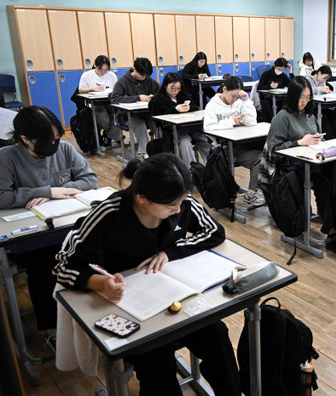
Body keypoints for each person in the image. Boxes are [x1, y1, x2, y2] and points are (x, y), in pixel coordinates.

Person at [53, 153, 242, 396]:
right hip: (129, 308)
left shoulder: (181, 203)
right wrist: (101, 283)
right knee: (157, 360)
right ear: (142, 198)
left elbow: (214, 231)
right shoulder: (108, 215)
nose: (177, 211)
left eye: (181, 202)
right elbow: (62, 267)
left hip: (172, 301)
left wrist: (171, 251)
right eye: (170, 206)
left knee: (216, 334)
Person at [0, 106, 97, 332]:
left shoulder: (63, 149)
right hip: (31, 238)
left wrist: (59, 190)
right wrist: (45, 191)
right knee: (46, 266)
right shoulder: (7, 158)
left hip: (68, 227)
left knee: (92, 253)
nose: (54, 144)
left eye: (56, 138)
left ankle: (90, 313)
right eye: (47, 140)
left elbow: (90, 179)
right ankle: (54, 329)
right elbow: (1, 196)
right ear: (26, 139)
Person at [259, 76, 331, 222]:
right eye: (301, 97)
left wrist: (318, 140)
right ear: (293, 96)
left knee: (335, 174)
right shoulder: (282, 117)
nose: (304, 101)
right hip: (290, 167)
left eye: (308, 97)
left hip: (310, 161)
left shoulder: (309, 116)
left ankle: (333, 220)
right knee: (323, 181)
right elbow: (274, 149)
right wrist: (299, 142)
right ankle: (328, 224)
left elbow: (317, 137)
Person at [204, 76, 264, 206]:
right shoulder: (212, 106)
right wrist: (230, 121)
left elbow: (251, 122)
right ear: (224, 89)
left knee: (260, 157)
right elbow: (208, 128)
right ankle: (229, 197)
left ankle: (252, 192)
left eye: (238, 96)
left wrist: (247, 101)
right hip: (222, 150)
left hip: (239, 147)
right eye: (233, 96)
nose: (235, 99)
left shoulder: (238, 102)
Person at [149, 72, 210, 164]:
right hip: (173, 132)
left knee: (204, 139)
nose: (176, 91)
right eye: (172, 88)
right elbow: (157, 116)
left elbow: (195, 108)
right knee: (185, 141)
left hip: (192, 129)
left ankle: (213, 168)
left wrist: (189, 108)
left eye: (178, 88)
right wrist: (174, 109)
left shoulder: (182, 96)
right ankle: (192, 171)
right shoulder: (158, 99)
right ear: (165, 86)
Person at [111, 57, 159, 158]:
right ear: (135, 69)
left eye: (146, 75)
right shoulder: (123, 81)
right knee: (139, 123)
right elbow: (115, 99)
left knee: (159, 121)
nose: (144, 77)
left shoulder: (149, 80)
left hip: (146, 114)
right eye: (141, 74)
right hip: (125, 116)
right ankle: (145, 152)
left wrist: (153, 97)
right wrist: (138, 98)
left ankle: (161, 149)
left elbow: (161, 92)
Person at [77, 55, 120, 145]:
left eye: (106, 70)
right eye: (100, 70)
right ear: (95, 66)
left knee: (118, 117)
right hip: (96, 104)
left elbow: (117, 90)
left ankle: (108, 135)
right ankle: (112, 135)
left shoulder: (112, 75)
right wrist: (92, 88)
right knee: (103, 119)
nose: (103, 72)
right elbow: (81, 90)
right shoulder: (87, 75)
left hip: (110, 102)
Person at [257, 57, 293, 122]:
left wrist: (290, 72)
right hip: (267, 98)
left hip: (280, 98)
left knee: (288, 103)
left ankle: (283, 121)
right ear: (274, 66)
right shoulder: (266, 74)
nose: (280, 71)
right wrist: (270, 86)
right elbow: (259, 88)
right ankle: (271, 122)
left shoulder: (283, 76)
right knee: (267, 105)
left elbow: (292, 86)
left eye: (282, 70)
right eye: (279, 69)